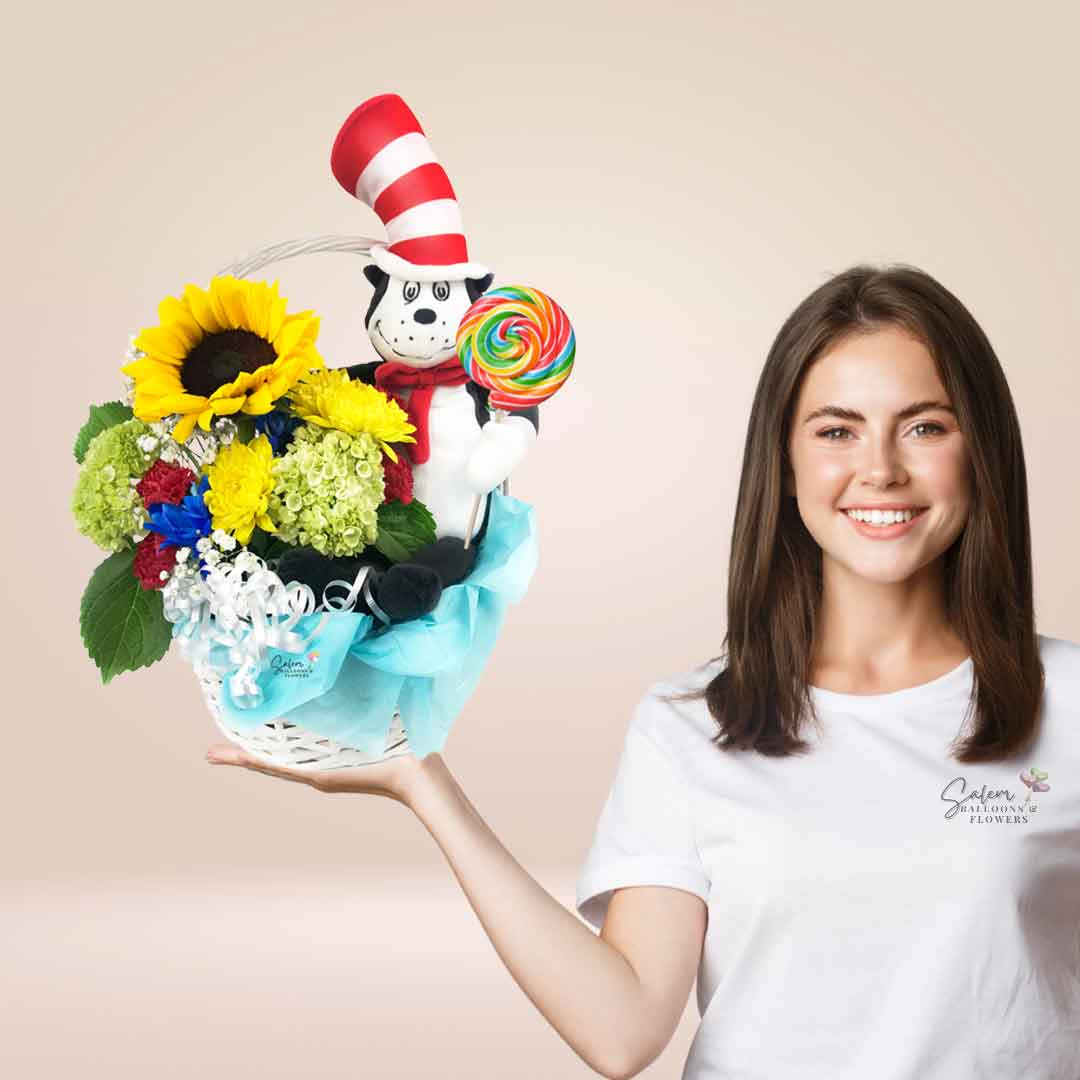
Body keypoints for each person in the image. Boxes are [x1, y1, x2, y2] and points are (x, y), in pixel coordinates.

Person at [205, 264, 1080, 1079]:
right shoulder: (692, 724)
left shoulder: (1070, 706)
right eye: (836, 430)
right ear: (785, 460)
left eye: (924, 426)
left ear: (982, 450)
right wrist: (419, 780)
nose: (880, 469)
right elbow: (623, 1031)